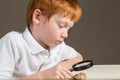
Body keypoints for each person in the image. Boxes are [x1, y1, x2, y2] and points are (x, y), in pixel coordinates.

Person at [0, 0, 83, 80]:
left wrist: (60, 67)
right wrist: (42, 76)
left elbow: (78, 57)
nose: (65, 34)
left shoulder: (59, 47)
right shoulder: (12, 43)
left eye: (68, 29)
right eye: (61, 26)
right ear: (38, 17)